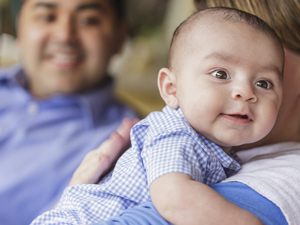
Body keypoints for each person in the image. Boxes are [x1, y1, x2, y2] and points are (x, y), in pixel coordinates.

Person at [31, 7, 284, 225]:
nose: (246, 92)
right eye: (220, 74)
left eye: (264, 83)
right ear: (171, 89)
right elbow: (175, 199)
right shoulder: (174, 132)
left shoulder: (231, 152)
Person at [0, 0, 137, 224]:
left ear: (120, 37)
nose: (64, 35)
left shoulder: (129, 149)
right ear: (20, 29)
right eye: (47, 17)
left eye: (88, 20)